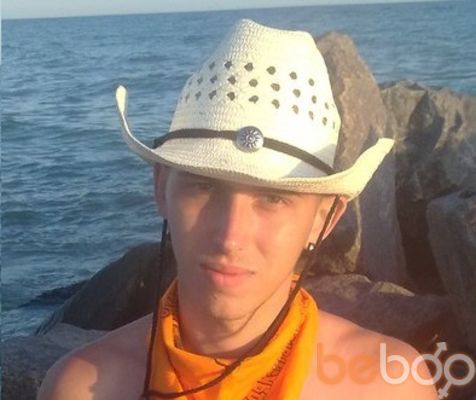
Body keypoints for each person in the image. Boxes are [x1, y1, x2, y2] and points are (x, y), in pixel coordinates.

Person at [38, 19, 438, 399]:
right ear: (161, 188)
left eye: (273, 198)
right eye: (204, 186)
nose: (230, 235)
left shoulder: (391, 385)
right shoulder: (79, 388)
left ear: (324, 219)